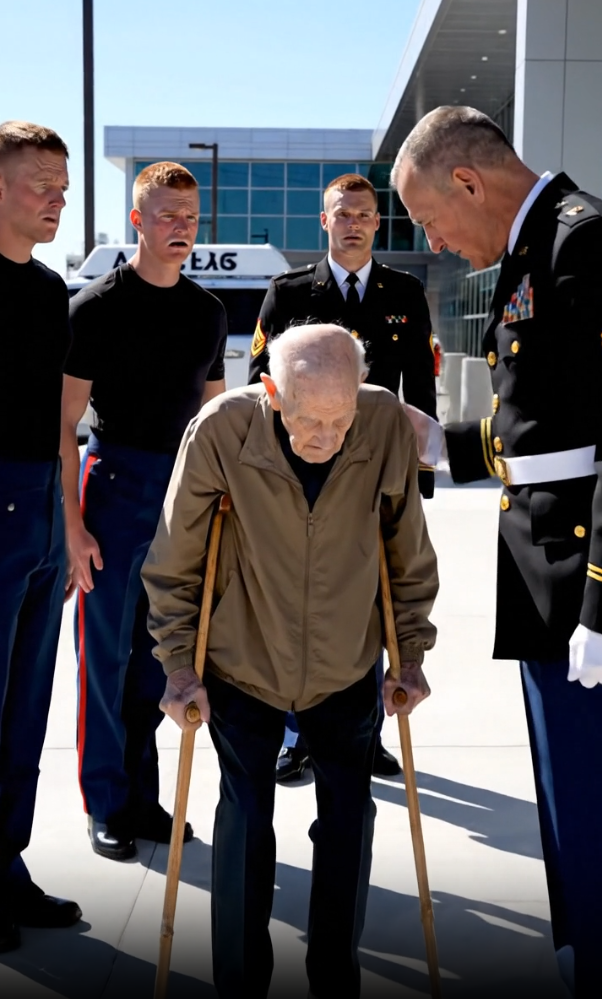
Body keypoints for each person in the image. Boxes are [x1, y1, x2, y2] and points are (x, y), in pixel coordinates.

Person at [142, 323, 438, 999]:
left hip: (347, 659)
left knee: (350, 817)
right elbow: (175, 559)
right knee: (244, 817)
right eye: (310, 420)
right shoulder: (221, 430)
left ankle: (335, 979)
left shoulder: (384, 423)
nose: (327, 437)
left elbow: (408, 547)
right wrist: (179, 665)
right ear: (272, 391)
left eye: (342, 421)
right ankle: (241, 983)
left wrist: (410, 652)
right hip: (245, 657)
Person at [393, 105, 602, 999]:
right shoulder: (531, 250)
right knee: (568, 797)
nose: (435, 242)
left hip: (580, 575)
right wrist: (440, 443)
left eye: (432, 219)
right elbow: (545, 420)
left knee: (595, 805)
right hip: (537, 566)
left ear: (469, 183)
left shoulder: (582, 243)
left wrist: (601, 602)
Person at [60, 162, 227, 862]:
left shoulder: (207, 312)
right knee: (105, 655)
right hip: (115, 484)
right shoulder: (96, 307)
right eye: (166, 216)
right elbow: (63, 423)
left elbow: (217, 414)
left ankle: (144, 797)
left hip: (184, 494)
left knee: (161, 661)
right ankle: (106, 802)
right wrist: (71, 525)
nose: (180, 228)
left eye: (189, 217)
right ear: (138, 220)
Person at [249, 172, 438, 781]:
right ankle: (294, 733)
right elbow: (261, 387)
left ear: (377, 223)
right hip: (301, 473)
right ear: (323, 221)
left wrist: (420, 479)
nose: (353, 222)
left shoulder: (405, 292)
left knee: (370, 599)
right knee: (292, 600)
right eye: (342, 213)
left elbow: (422, 391)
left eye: (364, 213)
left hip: (376, 476)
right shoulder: (289, 293)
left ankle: (366, 729)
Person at [0, 121, 82, 952]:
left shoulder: (48, 290)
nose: (58, 198)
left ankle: (7, 867)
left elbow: (61, 419)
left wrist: (65, 519)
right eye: (41, 183)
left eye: (63, 185)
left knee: (26, 711)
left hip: (40, 510)